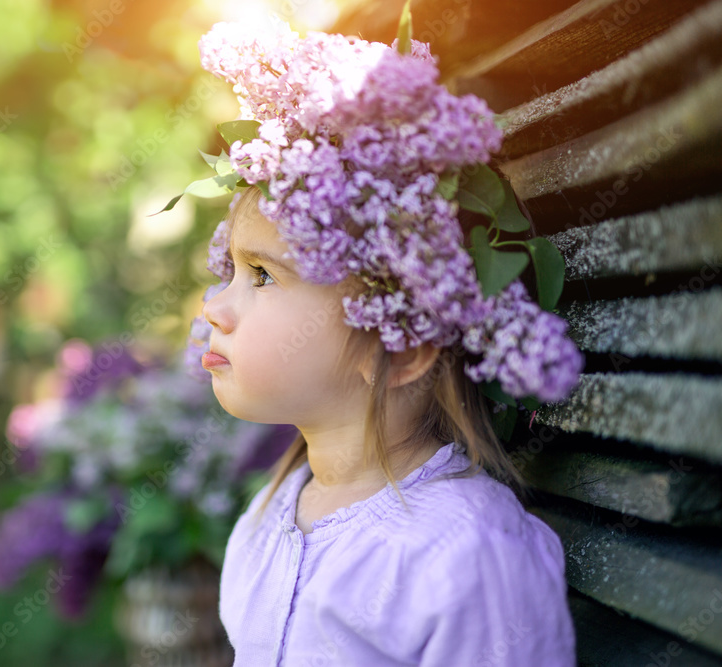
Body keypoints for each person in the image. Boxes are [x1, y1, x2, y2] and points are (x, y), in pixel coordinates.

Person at [181, 17, 582, 667]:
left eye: (262, 274)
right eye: (229, 271)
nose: (213, 305)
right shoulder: (271, 513)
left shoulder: (467, 553)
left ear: (397, 344)